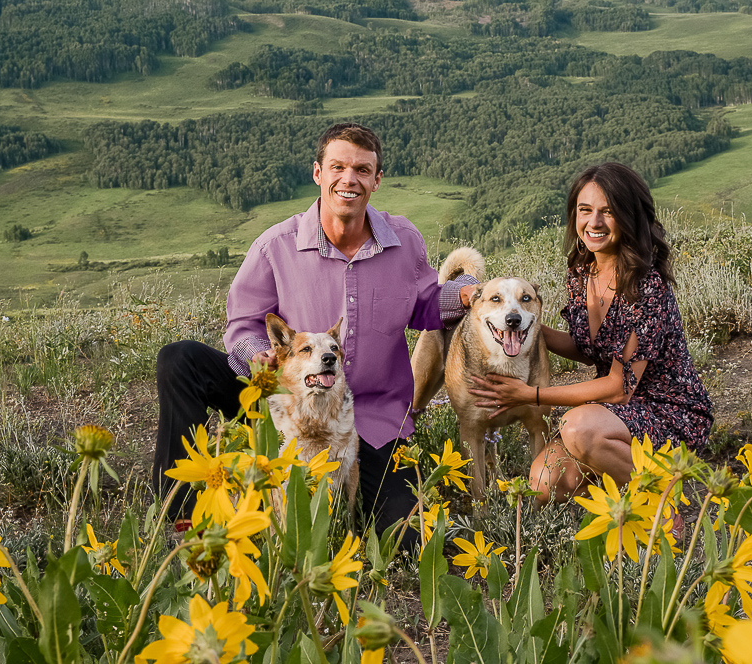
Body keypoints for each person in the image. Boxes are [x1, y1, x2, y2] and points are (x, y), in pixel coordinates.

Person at [153, 122, 477, 535]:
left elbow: (427, 303)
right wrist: (258, 354)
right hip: (281, 403)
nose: (349, 179)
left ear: (377, 180)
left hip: (366, 420)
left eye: (362, 170)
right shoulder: (276, 246)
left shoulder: (404, 241)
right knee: (180, 360)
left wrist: (469, 293)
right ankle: (181, 513)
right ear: (318, 173)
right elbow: (243, 324)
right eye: (338, 166)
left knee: (408, 536)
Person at [470, 162, 712, 502]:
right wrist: (524, 322)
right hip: (612, 414)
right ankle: (617, 484)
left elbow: (618, 389)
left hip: (667, 413)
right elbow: (587, 347)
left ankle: (660, 498)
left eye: (608, 212)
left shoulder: (647, 289)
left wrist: (529, 395)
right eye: (585, 210)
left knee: (577, 429)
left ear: (629, 217)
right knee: (542, 483)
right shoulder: (581, 270)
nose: (594, 223)